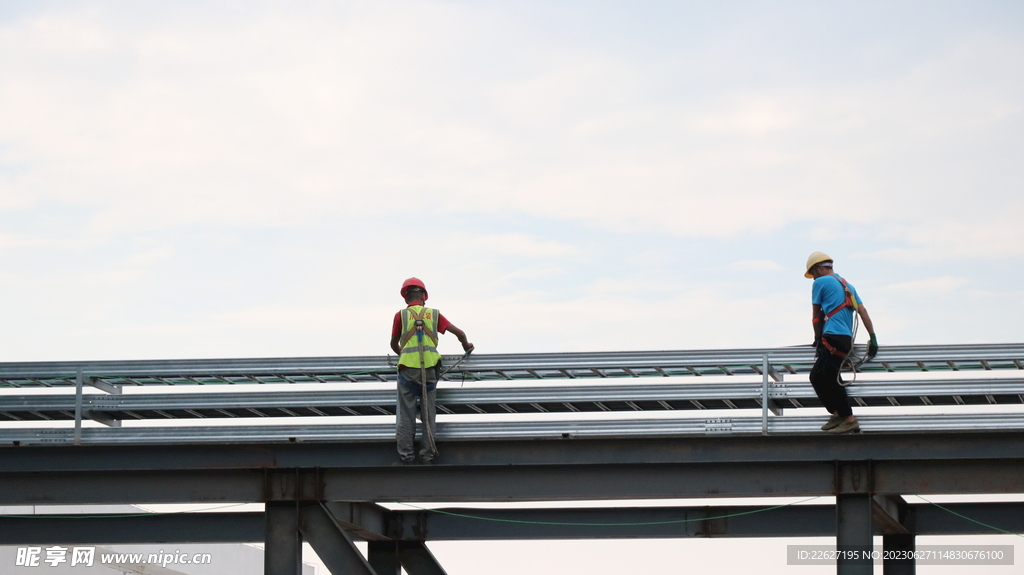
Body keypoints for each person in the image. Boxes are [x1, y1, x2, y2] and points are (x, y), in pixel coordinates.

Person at [390, 277, 474, 463]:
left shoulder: (400, 316)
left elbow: (393, 344)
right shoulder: (434, 315)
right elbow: (460, 333)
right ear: (424, 296)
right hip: (429, 372)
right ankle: (427, 454)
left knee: (406, 415)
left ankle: (406, 455)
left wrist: (405, 355)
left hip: (407, 372)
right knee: (429, 415)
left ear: (406, 298)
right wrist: (466, 345)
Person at [805, 252, 878, 434]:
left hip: (832, 337)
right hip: (845, 340)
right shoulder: (848, 286)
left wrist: (816, 337)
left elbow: (816, 316)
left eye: (813, 273)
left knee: (826, 379)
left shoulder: (819, 283)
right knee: (820, 377)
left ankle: (849, 418)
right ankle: (837, 414)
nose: (813, 277)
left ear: (819, 268)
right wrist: (873, 338)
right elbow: (863, 312)